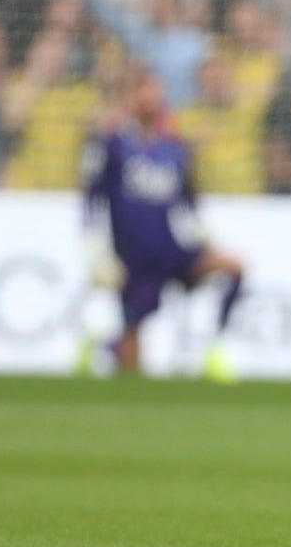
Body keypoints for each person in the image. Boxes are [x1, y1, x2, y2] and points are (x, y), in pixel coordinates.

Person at [84, 70, 243, 379]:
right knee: (132, 364)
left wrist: (201, 231)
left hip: (171, 250)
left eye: (154, 92)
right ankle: (106, 346)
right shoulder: (111, 146)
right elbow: (92, 197)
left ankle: (214, 347)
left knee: (234, 268)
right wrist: (95, 246)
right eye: (141, 91)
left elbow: (187, 199)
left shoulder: (175, 149)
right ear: (129, 98)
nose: (149, 99)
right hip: (134, 258)